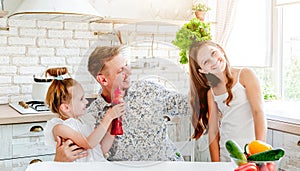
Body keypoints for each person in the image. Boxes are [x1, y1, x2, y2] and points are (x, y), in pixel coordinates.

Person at [54, 46, 191, 161]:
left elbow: (187, 106)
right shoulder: (92, 117)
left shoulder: (148, 90)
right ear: (103, 80)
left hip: (168, 168)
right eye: (121, 70)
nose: (129, 72)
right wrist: (60, 160)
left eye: (127, 65)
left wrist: (205, 86)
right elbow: (87, 156)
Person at [188, 40, 267, 162]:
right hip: (227, 154)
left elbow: (258, 113)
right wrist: (216, 163)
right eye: (206, 62)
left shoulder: (245, 75)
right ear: (202, 71)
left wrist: (259, 153)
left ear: (221, 50)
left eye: (213, 53)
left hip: (252, 153)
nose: (213, 61)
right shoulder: (212, 93)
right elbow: (213, 132)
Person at [44, 67, 125, 162]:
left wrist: (112, 125)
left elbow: (100, 150)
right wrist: (108, 117)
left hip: (94, 168)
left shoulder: (85, 121)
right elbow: (88, 143)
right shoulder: (60, 127)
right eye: (81, 99)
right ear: (66, 108)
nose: (86, 101)